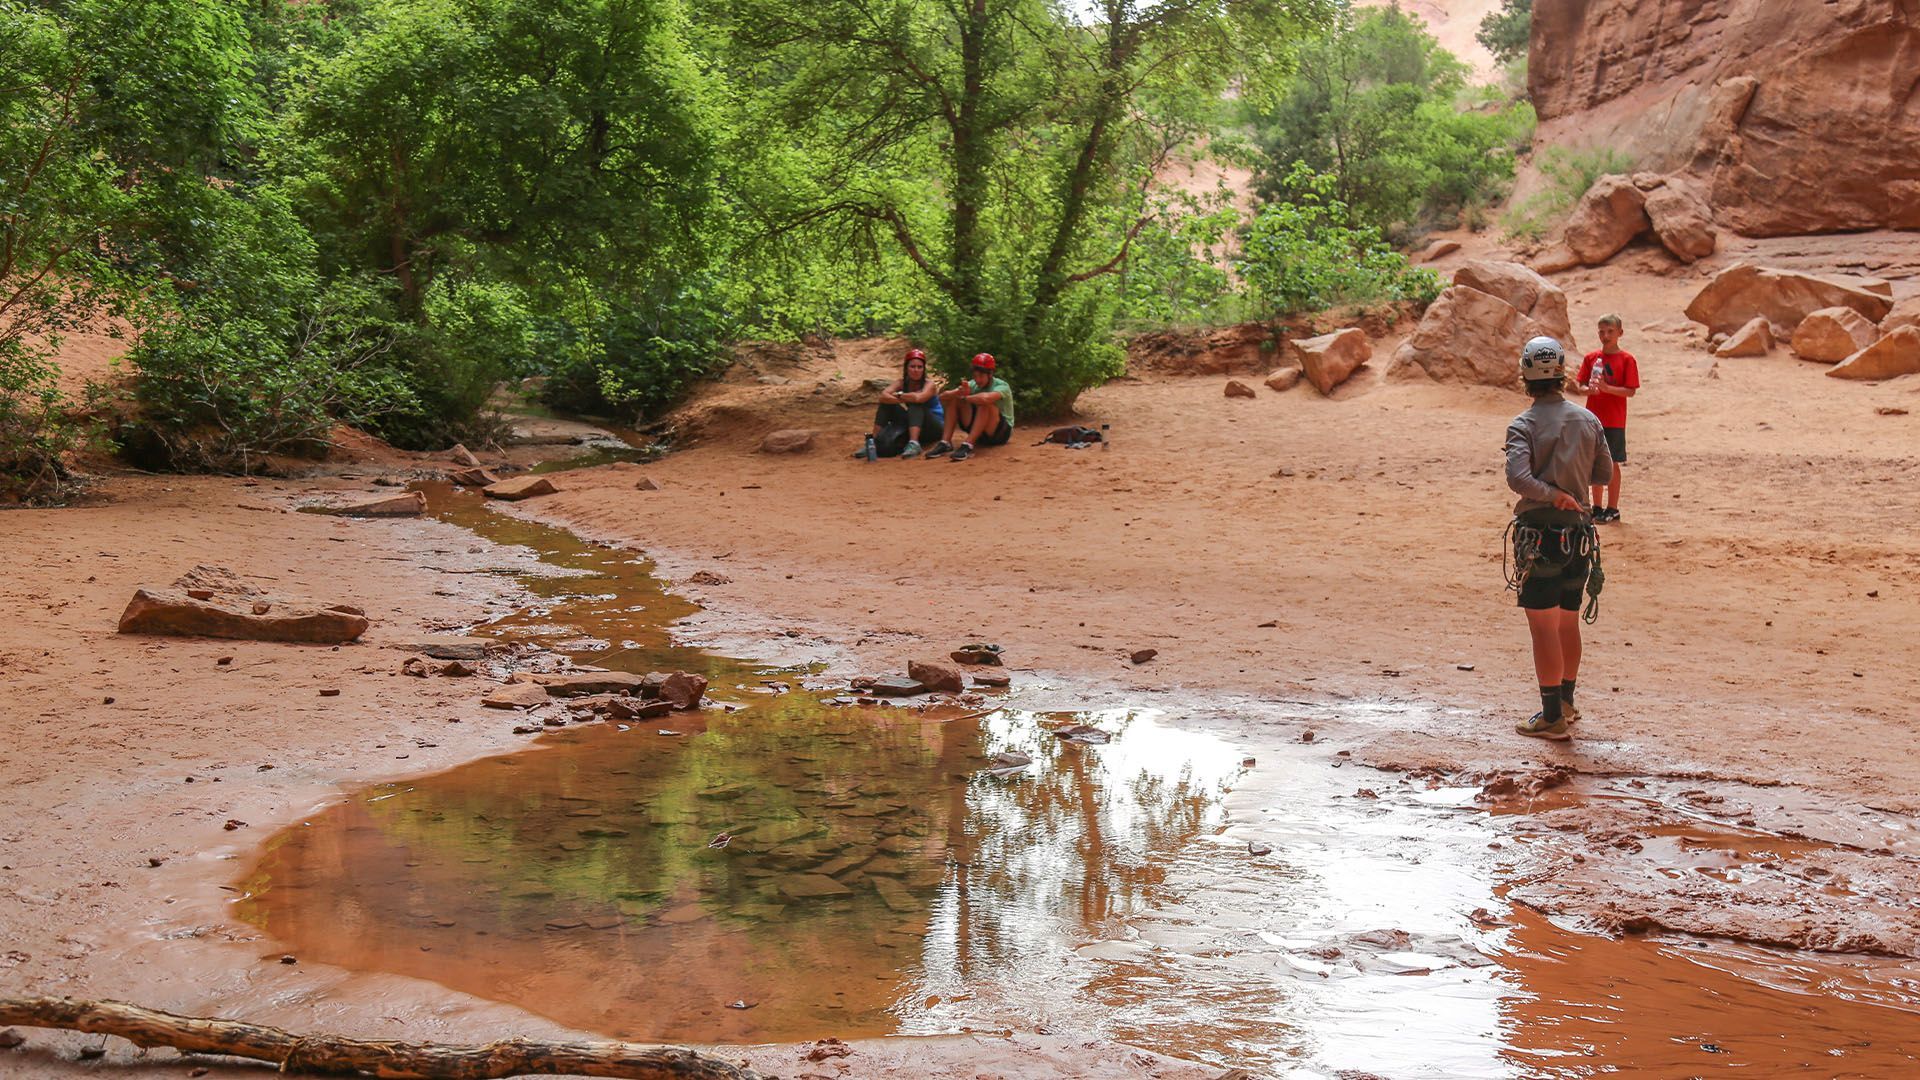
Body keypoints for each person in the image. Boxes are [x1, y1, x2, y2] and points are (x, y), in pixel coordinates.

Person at [1505, 336, 1616, 741]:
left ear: (1526, 378)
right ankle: (1566, 702)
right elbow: (1602, 474)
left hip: (1542, 536)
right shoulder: (1588, 420)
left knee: (1543, 627)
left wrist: (1553, 494)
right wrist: (1572, 481)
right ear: (1561, 374)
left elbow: (1518, 478)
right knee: (1568, 622)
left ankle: (1551, 716)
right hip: (1580, 537)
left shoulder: (1523, 425)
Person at [1574, 314, 1639, 523]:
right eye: (1602, 331)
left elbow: (1630, 391)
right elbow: (1580, 385)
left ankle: (1613, 507)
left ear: (1620, 333)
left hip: (1614, 420)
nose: (1606, 335)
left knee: (1612, 462)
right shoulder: (1591, 358)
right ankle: (1597, 507)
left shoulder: (1627, 359)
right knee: (1593, 462)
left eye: (1610, 331)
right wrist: (1589, 391)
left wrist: (1607, 389)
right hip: (1593, 418)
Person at [857, 347, 944, 459]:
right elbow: (883, 396)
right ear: (906, 368)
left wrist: (898, 395)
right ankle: (873, 442)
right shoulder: (901, 383)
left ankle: (914, 443)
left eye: (919, 367)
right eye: (912, 367)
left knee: (915, 404)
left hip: (934, 427)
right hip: (915, 423)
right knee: (886, 404)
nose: (916, 370)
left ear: (923, 369)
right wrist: (904, 398)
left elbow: (919, 399)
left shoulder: (929, 385)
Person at [926, 353, 1015, 462]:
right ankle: (945, 442)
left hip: (1000, 433)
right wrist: (959, 392)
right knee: (955, 399)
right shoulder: (973, 384)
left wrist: (965, 398)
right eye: (975, 376)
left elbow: (986, 399)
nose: (977, 380)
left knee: (984, 404)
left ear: (990, 374)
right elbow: (943, 397)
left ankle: (968, 445)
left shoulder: (1002, 386)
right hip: (981, 432)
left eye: (981, 376)